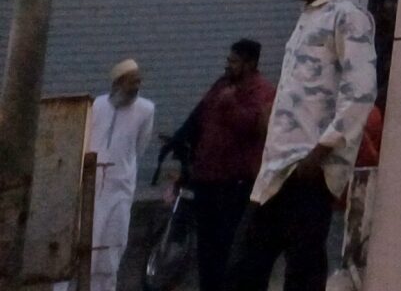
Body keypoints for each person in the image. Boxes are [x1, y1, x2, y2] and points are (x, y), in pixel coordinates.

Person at [229, 0, 377, 291]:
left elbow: (360, 92)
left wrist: (321, 151)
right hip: (276, 170)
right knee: (243, 270)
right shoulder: (308, 18)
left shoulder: (347, 17)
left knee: (302, 271)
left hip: (308, 170)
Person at [170, 38, 274, 289]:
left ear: (250, 64)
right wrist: (181, 140)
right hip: (207, 179)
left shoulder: (261, 91)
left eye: (234, 61)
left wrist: (231, 105)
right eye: (229, 60)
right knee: (206, 248)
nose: (228, 65)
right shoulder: (222, 85)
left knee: (226, 248)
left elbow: (254, 126)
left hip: (234, 184)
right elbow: (201, 114)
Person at [82, 58, 153, 291]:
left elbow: (139, 147)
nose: (136, 86)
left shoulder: (146, 109)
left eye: (139, 81)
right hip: (90, 184)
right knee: (83, 239)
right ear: (118, 83)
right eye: (132, 82)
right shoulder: (97, 105)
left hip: (120, 186)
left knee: (112, 243)